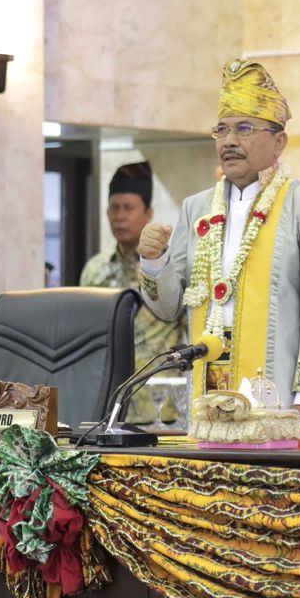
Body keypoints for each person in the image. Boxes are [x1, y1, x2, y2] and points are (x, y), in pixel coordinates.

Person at [138, 60, 300, 413]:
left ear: (279, 141)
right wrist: (153, 260)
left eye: (244, 128)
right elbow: (167, 308)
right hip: (205, 401)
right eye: (221, 130)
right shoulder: (196, 208)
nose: (230, 141)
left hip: (280, 405)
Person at [80, 161, 187, 421]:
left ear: (148, 214)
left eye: (128, 208)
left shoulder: (167, 267)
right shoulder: (94, 269)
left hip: (159, 408)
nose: (120, 216)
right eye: (114, 208)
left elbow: (189, 325)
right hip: (106, 403)